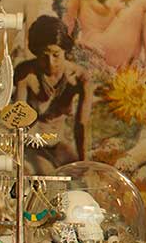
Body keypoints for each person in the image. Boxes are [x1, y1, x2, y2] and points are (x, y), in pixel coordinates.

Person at [15, 15, 93, 171]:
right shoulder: (26, 74)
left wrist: (84, 163)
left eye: (56, 55)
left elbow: (82, 124)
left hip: (58, 143)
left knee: (79, 178)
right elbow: (19, 123)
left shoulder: (81, 78)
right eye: (44, 56)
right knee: (49, 178)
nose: (50, 62)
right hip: (32, 144)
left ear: (65, 50)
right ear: (36, 53)